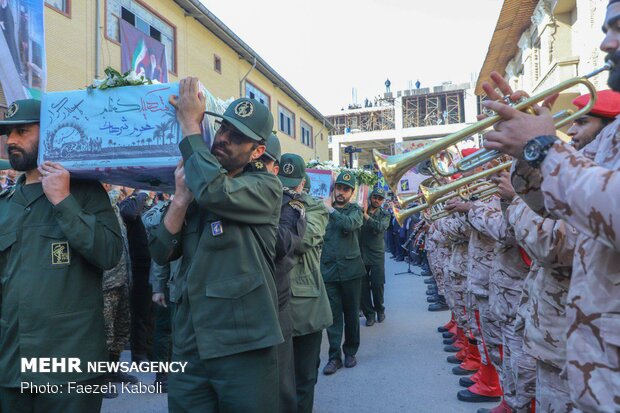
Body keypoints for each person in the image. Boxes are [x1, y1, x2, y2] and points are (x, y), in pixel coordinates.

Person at [480, 3, 620, 407]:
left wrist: (543, 148)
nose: (606, 43)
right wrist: (527, 151)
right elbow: (562, 208)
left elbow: (563, 239)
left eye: (618, 28)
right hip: (592, 363)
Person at [149, 80, 283, 412]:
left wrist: (190, 125)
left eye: (236, 137)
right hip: (190, 344)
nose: (222, 138)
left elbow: (214, 192)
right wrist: (179, 200)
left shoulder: (265, 187)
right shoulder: (197, 181)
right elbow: (161, 252)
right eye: (223, 127)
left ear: (257, 151)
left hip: (243, 344)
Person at [0, 99, 123, 412]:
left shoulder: (84, 191)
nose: (11, 140)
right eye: (9, 132)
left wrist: (64, 201)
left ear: (51, 132)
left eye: (22, 131)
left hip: (69, 366)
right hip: (11, 363)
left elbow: (109, 254)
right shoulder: (5, 203)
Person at [264, 141, 308, 413]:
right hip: (257, 289)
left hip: (277, 289)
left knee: (280, 372)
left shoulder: (293, 206)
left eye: (293, 184)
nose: (288, 188)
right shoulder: (265, 195)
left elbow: (283, 243)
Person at [289, 172, 332, 413]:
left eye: (291, 186)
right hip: (271, 304)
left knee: (304, 377)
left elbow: (301, 240)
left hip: (306, 308)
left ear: (302, 184)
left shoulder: (315, 208)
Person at [321, 171, 365, 375]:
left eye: (346, 189)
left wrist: (331, 210)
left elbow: (350, 224)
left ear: (352, 192)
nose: (341, 192)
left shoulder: (355, 209)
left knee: (351, 315)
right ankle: (333, 357)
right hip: (329, 270)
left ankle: (350, 352)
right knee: (333, 317)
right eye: (339, 188)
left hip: (351, 271)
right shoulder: (323, 209)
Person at [119, 189, 153, 364]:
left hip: (157, 265)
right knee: (140, 313)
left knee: (153, 314)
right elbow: (129, 213)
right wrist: (143, 193)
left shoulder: (154, 206)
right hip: (139, 267)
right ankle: (139, 355)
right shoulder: (130, 203)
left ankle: (151, 352)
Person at [359, 187, 391, 326]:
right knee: (363, 287)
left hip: (376, 254)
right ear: (370, 197)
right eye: (374, 197)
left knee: (377, 284)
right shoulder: (360, 211)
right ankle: (369, 314)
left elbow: (379, 228)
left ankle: (380, 310)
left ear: (382, 201)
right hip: (361, 253)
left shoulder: (385, 214)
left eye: (380, 198)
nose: (376, 200)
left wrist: (366, 215)